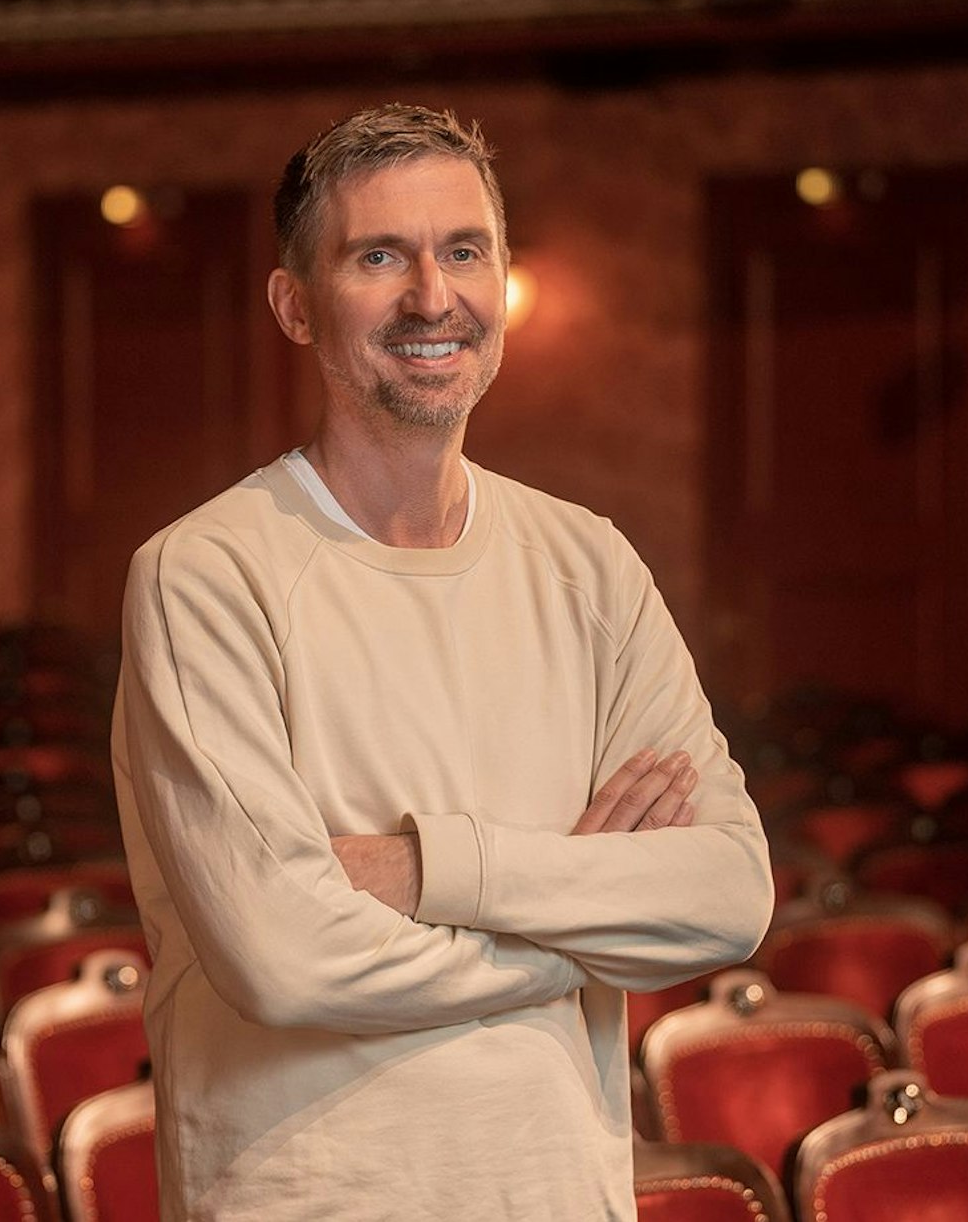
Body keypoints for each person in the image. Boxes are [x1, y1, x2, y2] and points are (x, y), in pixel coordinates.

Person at [112, 102, 774, 1221]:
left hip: (559, 1194)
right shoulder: (202, 575)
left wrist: (431, 872)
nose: (432, 296)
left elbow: (726, 895)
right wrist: (580, 934)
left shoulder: (588, 564)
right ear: (295, 305)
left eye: (463, 251)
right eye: (379, 256)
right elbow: (285, 959)